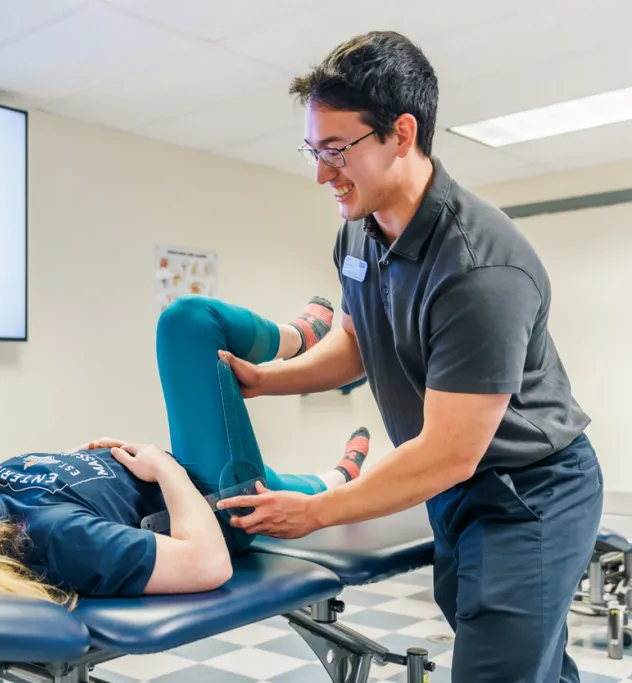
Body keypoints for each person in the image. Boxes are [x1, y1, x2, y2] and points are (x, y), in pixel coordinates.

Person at [215, 31, 603, 683]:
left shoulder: (481, 269)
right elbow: (356, 342)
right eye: (313, 150)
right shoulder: (359, 232)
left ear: (401, 132)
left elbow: (451, 450)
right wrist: (264, 379)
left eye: (336, 150)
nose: (320, 172)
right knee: (524, 657)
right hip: (457, 488)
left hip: (531, 492)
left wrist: (316, 510)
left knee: (497, 668)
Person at [0, 295, 369, 603]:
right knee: (187, 324)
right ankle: (298, 338)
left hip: (204, 479)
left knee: (263, 473)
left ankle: (339, 477)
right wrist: (163, 467)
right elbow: (207, 564)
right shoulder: (54, 539)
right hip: (216, 501)